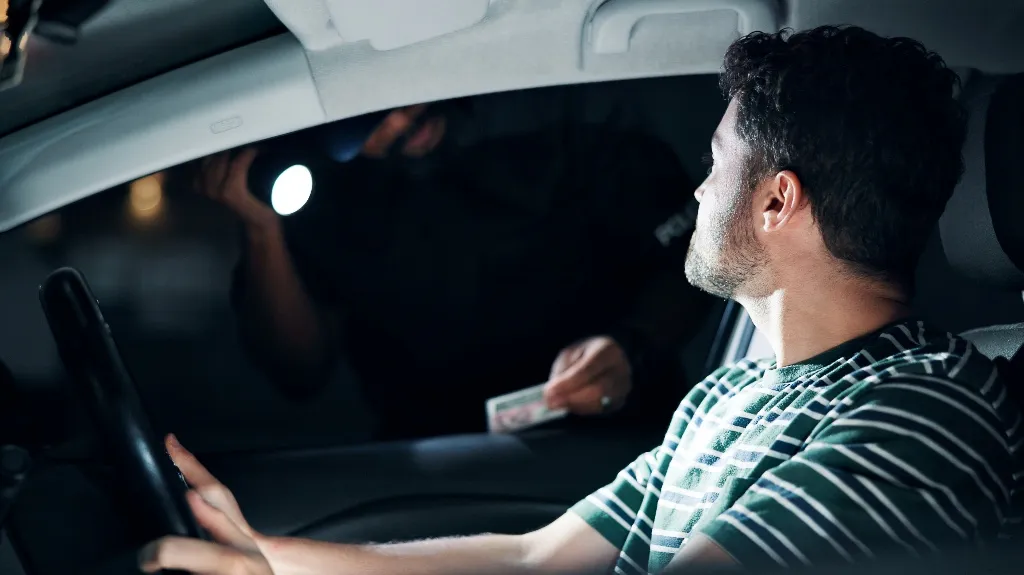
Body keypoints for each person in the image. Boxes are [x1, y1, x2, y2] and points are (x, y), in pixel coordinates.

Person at [142, 25, 1024, 574]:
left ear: (776, 200)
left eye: (717, 165)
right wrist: (266, 556)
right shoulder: (729, 396)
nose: (698, 195)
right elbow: (531, 556)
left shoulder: (917, 416)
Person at [203, 95, 712, 439]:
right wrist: (261, 230)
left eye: (399, 94)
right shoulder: (321, 188)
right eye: (368, 121)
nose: (400, 120)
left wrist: (633, 345)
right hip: (440, 462)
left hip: (618, 435)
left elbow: (692, 261)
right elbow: (300, 371)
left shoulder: (564, 112)